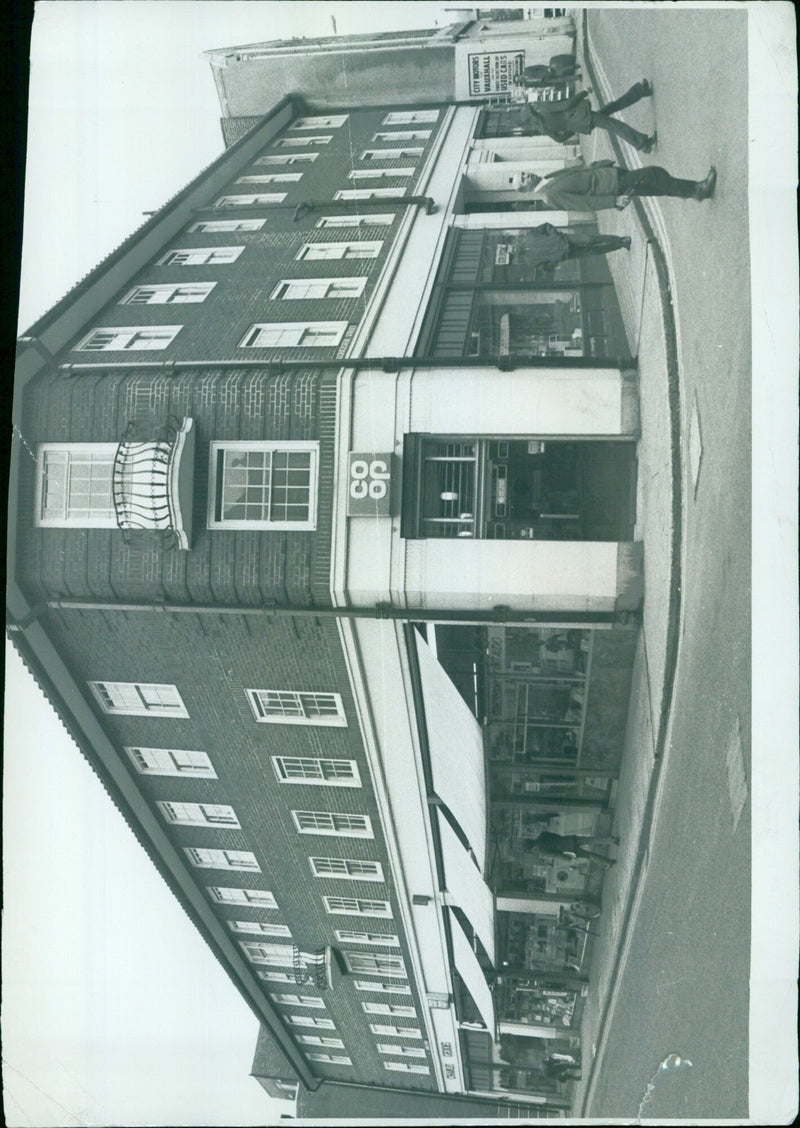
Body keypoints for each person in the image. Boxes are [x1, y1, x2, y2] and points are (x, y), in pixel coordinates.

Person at [520, 160, 717, 211]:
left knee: (654, 186)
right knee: (652, 174)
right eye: (524, 179)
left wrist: (599, 165)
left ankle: (693, 193)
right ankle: (697, 189)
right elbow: (584, 204)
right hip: (613, 187)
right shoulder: (550, 196)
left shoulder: (547, 178)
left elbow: (579, 172)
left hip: (610, 175)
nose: (527, 175)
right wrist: (614, 201)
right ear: (526, 190)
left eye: (524, 173)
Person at [526, 80, 656, 153]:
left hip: (581, 123)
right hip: (583, 116)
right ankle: (643, 144)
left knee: (612, 107)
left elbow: (560, 139)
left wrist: (574, 127)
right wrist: (584, 92)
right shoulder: (543, 109)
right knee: (615, 126)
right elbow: (566, 105)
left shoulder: (542, 127)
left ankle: (639, 91)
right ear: (531, 108)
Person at [522, 222, 631, 277]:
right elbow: (546, 267)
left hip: (567, 239)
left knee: (591, 240)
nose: (512, 249)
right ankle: (621, 245)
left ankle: (620, 239)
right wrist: (556, 259)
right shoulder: (530, 262)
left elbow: (546, 226)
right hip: (568, 254)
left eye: (510, 247)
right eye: (511, 252)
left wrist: (555, 235)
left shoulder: (529, 236)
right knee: (595, 251)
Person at [523, 829, 620, 869]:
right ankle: (612, 840)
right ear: (530, 839)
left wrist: (568, 859)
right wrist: (561, 839)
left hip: (569, 850)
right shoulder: (542, 834)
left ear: (531, 848)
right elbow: (556, 835)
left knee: (589, 855)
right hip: (569, 839)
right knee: (591, 840)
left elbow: (556, 855)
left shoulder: (541, 852)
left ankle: (609, 862)